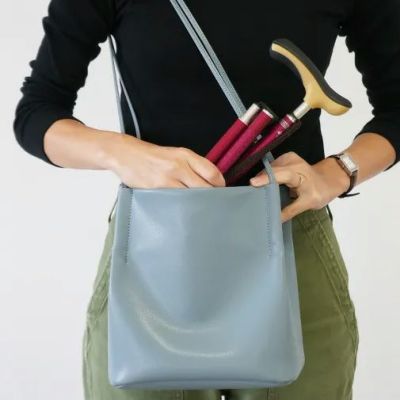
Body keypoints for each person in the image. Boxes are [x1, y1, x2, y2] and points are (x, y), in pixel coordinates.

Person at [13, 0, 399, 399]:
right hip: (153, 249)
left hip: (289, 241)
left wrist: (338, 172)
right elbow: (37, 112)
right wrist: (121, 152)